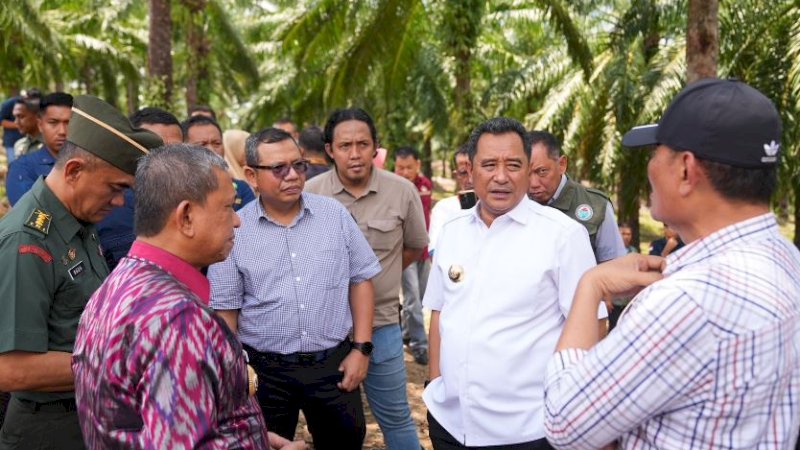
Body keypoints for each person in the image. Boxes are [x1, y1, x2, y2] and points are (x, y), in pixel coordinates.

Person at [543, 78, 800, 450]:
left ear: (685, 170)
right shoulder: (785, 257)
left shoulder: (689, 300)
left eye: (655, 153)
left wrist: (591, 285)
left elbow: (565, 424)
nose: (649, 168)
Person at [72, 144, 303, 449]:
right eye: (227, 207)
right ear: (186, 216)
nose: (237, 220)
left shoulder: (118, 284)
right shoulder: (178, 318)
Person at [423, 117, 599, 450]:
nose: (501, 176)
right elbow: (440, 312)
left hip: (527, 430)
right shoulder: (453, 230)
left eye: (514, 165)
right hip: (450, 423)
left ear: (528, 169)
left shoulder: (563, 236)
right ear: (470, 170)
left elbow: (593, 324)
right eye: (489, 165)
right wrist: (436, 383)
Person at [0, 95, 163, 449]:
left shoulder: (79, 220)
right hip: (48, 429)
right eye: (115, 187)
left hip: (87, 415)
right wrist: (124, 362)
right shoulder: (28, 241)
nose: (120, 202)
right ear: (74, 171)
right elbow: (12, 369)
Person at [209, 128, 380, 449]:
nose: (292, 176)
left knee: (345, 441)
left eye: (298, 165)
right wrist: (237, 371)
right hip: (264, 372)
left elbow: (361, 280)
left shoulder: (334, 216)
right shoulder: (235, 229)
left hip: (333, 366)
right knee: (263, 444)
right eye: (278, 169)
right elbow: (226, 310)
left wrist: (361, 349)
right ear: (251, 175)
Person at [305, 107, 427, 450]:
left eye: (363, 144)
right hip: (324, 331)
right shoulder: (310, 194)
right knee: (331, 428)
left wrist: (380, 281)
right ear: (330, 149)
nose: (355, 153)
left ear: (375, 147)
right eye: (345, 146)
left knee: (397, 419)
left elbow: (414, 248)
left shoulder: (403, 192)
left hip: (383, 325)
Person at [94, 107, 184, 271]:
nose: (168, 159)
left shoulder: (198, 204)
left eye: (176, 151)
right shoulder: (102, 209)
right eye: (155, 149)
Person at [527, 131, 626, 263]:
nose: (533, 183)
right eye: (526, 174)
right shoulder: (515, 205)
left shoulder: (596, 206)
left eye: (542, 171)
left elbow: (614, 266)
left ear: (561, 165)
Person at [394, 146, 432, 365]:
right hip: (404, 250)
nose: (405, 172)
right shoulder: (394, 188)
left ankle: (407, 333)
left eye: (409, 167)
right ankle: (420, 345)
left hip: (424, 250)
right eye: (400, 168)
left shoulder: (426, 185)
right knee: (412, 300)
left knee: (423, 297)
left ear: (418, 165)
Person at [6, 92, 73, 205]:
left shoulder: (92, 164)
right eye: (53, 122)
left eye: (69, 123)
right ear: (40, 124)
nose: (62, 131)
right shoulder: (21, 168)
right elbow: (28, 213)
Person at [183, 115, 255, 211]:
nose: (211, 150)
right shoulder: (175, 190)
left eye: (217, 143)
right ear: (183, 148)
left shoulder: (241, 189)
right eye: (202, 144)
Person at [428, 144, 472, 256]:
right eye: (463, 173)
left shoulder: (499, 206)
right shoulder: (443, 208)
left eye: (475, 171)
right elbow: (435, 252)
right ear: (456, 175)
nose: (470, 179)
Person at [11, 90, 43, 159]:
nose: (16, 122)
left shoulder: (53, 146)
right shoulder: (19, 145)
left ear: (37, 116)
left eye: (21, 116)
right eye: (15, 117)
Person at [1, 95, 23, 164]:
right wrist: (19, 125)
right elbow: (1, 121)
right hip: (11, 143)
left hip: (25, 142)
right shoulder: (8, 104)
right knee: (13, 164)